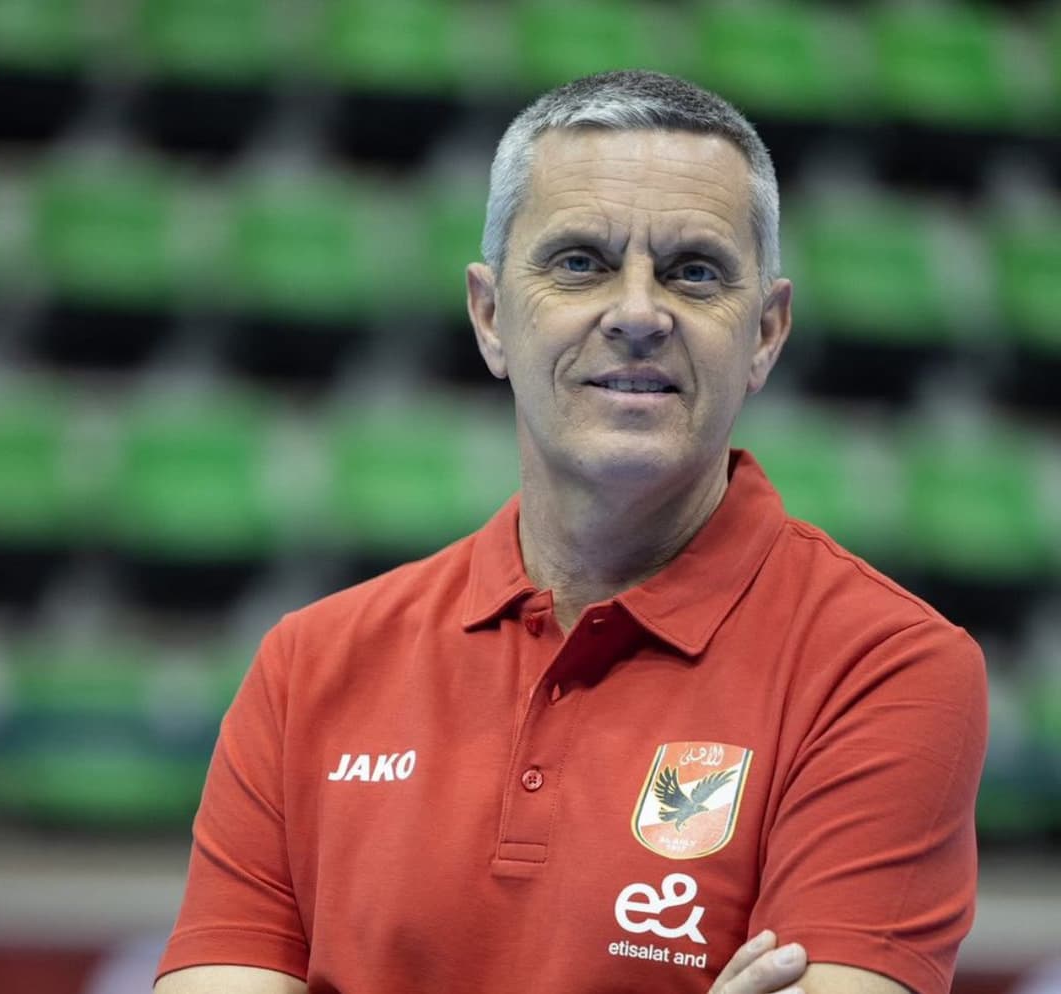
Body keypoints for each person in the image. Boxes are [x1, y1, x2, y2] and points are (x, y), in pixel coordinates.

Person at [154, 70, 987, 994]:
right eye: (581, 263)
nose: (637, 314)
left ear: (766, 332)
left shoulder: (885, 668)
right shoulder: (310, 667)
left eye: (694, 271)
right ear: (490, 317)